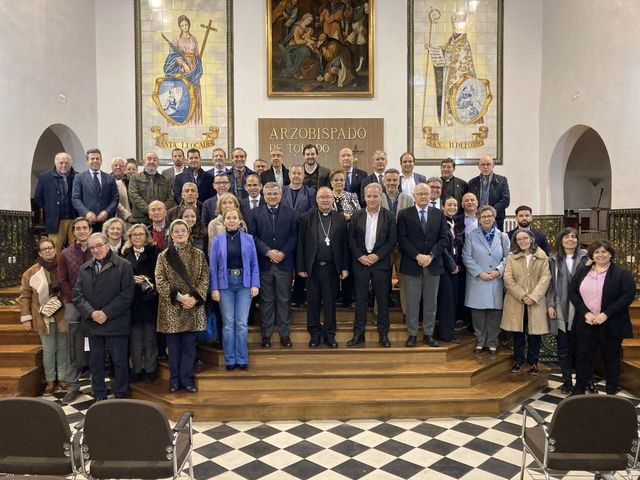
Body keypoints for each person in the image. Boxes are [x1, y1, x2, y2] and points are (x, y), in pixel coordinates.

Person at [569, 240, 636, 395]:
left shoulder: (621, 273)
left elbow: (628, 296)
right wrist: (586, 313)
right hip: (586, 322)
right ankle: (578, 391)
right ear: (592, 255)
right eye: (597, 252)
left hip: (611, 323)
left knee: (611, 359)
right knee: (583, 357)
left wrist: (606, 314)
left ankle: (611, 393)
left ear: (610, 254)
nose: (600, 255)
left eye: (604, 251)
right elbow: (572, 293)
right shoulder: (583, 272)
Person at [73, 233, 135, 400]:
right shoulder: (84, 268)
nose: (96, 249)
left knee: (120, 363)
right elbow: (77, 296)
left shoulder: (124, 265)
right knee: (95, 363)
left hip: (116, 322)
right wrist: (92, 313)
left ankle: (121, 394)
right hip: (93, 324)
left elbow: (127, 294)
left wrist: (106, 313)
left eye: (99, 245)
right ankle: (99, 394)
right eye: (92, 247)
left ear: (108, 245)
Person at [155, 219, 209, 393]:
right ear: (171, 235)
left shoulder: (198, 254)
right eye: (176, 231)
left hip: (192, 306)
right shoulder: (163, 256)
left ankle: (187, 379)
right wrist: (180, 297)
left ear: (188, 233)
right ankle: (174, 379)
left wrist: (192, 299)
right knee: (173, 347)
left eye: (182, 231)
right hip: (172, 307)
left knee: (189, 346)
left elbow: (204, 278)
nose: (179, 234)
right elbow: (160, 281)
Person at [397, 183, 449, 347]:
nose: (424, 196)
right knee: (412, 302)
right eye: (420, 193)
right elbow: (402, 239)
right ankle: (412, 334)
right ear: (414, 195)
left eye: (427, 193)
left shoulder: (439, 214)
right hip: (412, 265)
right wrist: (418, 256)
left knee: (430, 302)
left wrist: (431, 256)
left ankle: (428, 333)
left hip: (433, 265)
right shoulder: (404, 214)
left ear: (431, 195)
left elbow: (444, 238)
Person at [297, 187, 349, 348]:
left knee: (330, 302)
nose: (325, 200)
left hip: (332, 269)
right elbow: (300, 244)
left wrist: (345, 267)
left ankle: (329, 334)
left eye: (328, 197)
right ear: (316, 199)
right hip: (312, 268)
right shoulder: (306, 218)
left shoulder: (340, 218)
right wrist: (300, 266)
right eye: (322, 197)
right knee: (312, 302)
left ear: (333, 199)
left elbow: (345, 245)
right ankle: (314, 333)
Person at [248, 183, 298, 348]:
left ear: (281, 195)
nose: (272, 196)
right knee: (266, 300)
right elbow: (253, 237)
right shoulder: (255, 213)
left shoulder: (291, 213)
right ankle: (266, 336)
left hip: (284, 263)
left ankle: (285, 335)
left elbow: (294, 236)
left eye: (275, 193)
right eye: (268, 194)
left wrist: (282, 253)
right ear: (264, 195)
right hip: (264, 263)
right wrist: (268, 252)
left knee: (284, 300)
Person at [210, 208, 260, 370]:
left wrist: (255, 284)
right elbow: (213, 267)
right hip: (225, 285)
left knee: (241, 323)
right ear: (224, 221)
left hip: (244, 283)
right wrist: (214, 288)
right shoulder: (217, 241)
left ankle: (242, 358)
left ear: (240, 221)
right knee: (228, 323)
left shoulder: (248, 239)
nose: (231, 220)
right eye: (228, 218)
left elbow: (254, 264)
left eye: (234, 218)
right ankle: (230, 359)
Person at [347, 183, 396, 347]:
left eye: (375, 196)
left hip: (380, 264)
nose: (372, 199)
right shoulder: (357, 215)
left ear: (381, 197)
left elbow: (392, 240)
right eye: (369, 196)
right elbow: (351, 239)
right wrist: (360, 256)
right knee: (360, 300)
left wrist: (377, 256)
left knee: (382, 300)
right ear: (364, 197)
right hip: (360, 263)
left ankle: (384, 335)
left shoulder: (389, 216)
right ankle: (358, 334)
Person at [19, 238, 68, 395]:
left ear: (55, 249)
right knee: (48, 349)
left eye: (50, 248)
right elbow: (25, 296)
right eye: (44, 249)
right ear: (40, 253)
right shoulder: (31, 272)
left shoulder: (63, 266)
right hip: (43, 315)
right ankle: (50, 380)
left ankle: (62, 378)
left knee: (62, 347)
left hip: (62, 313)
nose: (48, 251)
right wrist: (26, 317)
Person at [501, 229, 551, 375]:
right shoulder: (511, 257)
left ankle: (533, 362)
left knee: (535, 334)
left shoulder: (542, 257)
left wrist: (533, 296)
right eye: (519, 239)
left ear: (531, 239)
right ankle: (518, 360)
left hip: (536, 301)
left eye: (525, 238)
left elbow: (545, 278)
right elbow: (508, 279)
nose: (522, 241)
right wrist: (522, 296)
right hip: (517, 301)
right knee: (518, 332)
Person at [462, 205, 510, 354]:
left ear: (494, 218)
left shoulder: (503, 236)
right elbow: (466, 256)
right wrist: (480, 273)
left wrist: (498, 271)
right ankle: (480, 340)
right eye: (483, 217)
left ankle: (493, 342)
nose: (487, 219)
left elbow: (508, 257)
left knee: (494, 314)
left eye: (489, 216)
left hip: (496, 279)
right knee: (478, 313)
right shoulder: (471, 236)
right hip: (478, 279)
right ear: (479, 219)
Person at [547, 227, 589, 394]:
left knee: (583, 348)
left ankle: (585, 381)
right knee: (563, 349)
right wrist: (550, 304)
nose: (570, 240)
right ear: (561, 240)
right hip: (560, 307)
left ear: (578, 240)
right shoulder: (553, 259)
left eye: (573, 237)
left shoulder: (586, 258)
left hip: (582, 309)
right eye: (566, 237)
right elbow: (549, 284)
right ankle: (566, 382)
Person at [57, 217, 93, 404]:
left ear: (90, 229)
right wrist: (75, 300)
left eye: (84, 227)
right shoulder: (65, 253)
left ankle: (97, 383)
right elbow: (62, 280)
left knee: (96, 341)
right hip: (73, 304)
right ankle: (72, 384)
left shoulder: (98, 250)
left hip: (96, 304)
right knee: (74, 343)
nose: (81, 231)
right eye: (77, 228)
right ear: (73, 232)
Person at [120, 224, 159, 384]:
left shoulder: (154, 252)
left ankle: (150, 369)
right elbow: (120, 277)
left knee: (149, 337)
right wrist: (131, 280)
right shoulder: (124, 253)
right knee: (135, 337)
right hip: (132, 301)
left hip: (149, 299)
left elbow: (159, 275)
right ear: (130, 237)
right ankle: (136, 369)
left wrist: (146, 281)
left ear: (146, 236)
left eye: (141, 234)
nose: (137, 237)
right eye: (134, 235)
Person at [282, 164, 317, 308]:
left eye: (299, 173)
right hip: (286, 234)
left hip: (304, 233)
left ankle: (300, 297)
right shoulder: (281, 191)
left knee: (302, 266)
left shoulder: (310, 192)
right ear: (289, 175)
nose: (296, 176)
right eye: (293, 173)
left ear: (303, 176)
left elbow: (313, 209)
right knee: (289, 266)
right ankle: (288, 297)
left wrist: (297, 217)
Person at [34, 152, 78, 253]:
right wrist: (50, 209)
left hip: (74, 219)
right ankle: (56, 269)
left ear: (71, 163)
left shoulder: (78, 176)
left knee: (76, 249)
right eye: (61, 163)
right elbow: (38, 197)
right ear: (55, 163)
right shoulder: (45, 177)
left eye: (66, 163)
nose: (64, 165)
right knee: (54, 250)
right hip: (55, 221)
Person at [329, 168, 360, 307]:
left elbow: (360, 216)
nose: (339, 182)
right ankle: (334, 296)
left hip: (348, 238)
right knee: (333, 268)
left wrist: (350, 217)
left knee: (348, 267)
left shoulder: (352, 196)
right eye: (336, 180)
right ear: (331, 182)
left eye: (341, 180)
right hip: (331, 238)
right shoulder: (326, 196)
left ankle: (348, 298)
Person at [163, 15, 203, 124]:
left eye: (186, 24)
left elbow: (197, 53)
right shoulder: (177, 38)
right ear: (180, 27)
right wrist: (184, 64)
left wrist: (197, 59)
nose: (185, 27)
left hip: (193, 69)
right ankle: (180, 121)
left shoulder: (193, 38)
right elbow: (173, 54)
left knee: (194, 93)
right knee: (183, 93)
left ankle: (194, 122)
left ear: (189, 24)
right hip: (182, 69)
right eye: (182, 25)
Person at [436, 196, 465, 343]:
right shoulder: (440, 222)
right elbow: (441, 247)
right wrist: (451, 265)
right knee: (446, 301)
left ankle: (450, 331)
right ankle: (445, 335)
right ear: (442, 206)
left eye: (454, 205)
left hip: (455, 267)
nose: (452, 207)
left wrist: (457, 265)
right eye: (449, 205)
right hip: (444, 267)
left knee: (453, 299)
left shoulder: (455, 223)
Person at [71, 148, 119, 232]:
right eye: (92, 159)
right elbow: (75, 198)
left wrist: (106, 212)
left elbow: (115, 198)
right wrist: (86, 213)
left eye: (97, 158)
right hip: (87, 222)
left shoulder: (110, 178)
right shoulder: (79, 178)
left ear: (101, 160)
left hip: (106, 221)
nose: (95, 161)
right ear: (87, 161)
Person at [128, 151, 176, 223]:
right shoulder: (135, 178)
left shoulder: (165, 180)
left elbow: (170, 198)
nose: (152, 161)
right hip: (140, 219)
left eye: (155, 160)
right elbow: (134, 196)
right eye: (149, 159)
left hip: (161, 220)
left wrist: (160, 211)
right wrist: (150, 210)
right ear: (144, 162)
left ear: (158, 163)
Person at [467, 156, 510, 230]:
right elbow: (469, 200)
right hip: (477, 219)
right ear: (479, 166)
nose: (485, 167)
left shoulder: (502, 180)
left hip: (496, 219)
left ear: (493, 166)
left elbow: (506, 200)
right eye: (483, 164)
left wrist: (490, 213)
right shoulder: (472, 182)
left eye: (488, 164)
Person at [112, 157, 133, 223]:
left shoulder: (130, 181)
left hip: (131, 218)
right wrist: (126, 215)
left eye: (121, 166)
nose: (118, 167)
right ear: (112, 167)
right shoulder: (107, 180)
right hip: (114, 218)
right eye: (116, 165)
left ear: (125, 168)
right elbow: (114, 201)